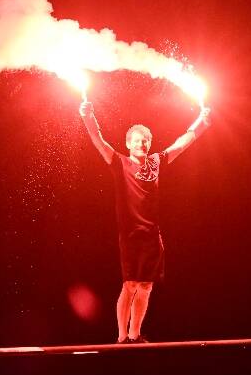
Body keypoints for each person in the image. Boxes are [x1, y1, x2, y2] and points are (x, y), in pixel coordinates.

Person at [79, 99, 211, 344]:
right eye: (138, 140)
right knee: (130, 285)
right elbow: (99, 139)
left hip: (152, 234)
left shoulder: (157, 163)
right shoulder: (119, 162)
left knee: (147, 286)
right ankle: (121, 338)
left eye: (146, 140)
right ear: (128, 144)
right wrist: (88, 116)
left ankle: (135, 334)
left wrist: (201, 122)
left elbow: (181, 143)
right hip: (130, 235)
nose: (143, 143)